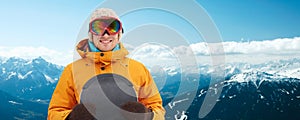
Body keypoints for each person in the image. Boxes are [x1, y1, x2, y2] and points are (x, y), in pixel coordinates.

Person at [48, 8, 165, 120]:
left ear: (119, 34)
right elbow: (55, 112)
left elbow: (158, 109)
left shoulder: (138, 69)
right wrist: (71, 117)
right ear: (91, 34)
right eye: (98, 28)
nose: (105, 35)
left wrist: (146, 115)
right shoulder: (72, 70)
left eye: (112, 28)